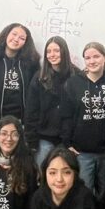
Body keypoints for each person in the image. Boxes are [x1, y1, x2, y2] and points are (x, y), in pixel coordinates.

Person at [60, 42, 105, 197]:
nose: (92, 61)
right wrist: (67, 143)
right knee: (83, 192)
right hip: (81, 152)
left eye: (96, 56)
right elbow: (66, 116)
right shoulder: (73, 83)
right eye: (87, 58)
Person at [24, 35, 76, 167]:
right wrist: (31, 140)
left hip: (68, 139)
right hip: (44, 137)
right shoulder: (39, 77)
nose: (52, 55)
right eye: (48, 51)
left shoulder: (76, 75)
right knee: (42, 173)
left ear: (64, 51)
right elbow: (31, 110)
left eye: (56, 51)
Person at [0, 22, 40, 124]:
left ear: (25, 43)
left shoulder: (31, 63)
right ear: (6, 34)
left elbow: (35, 96)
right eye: (14, 34)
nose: (16, 39)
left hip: (21, 122)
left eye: (22, 38)